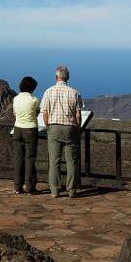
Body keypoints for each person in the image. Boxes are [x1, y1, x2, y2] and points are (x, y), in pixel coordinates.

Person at [40, 64, 83, 198]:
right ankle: (71, 190)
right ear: (67, 77)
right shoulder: (74, 92)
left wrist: (48, 126)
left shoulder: (48, 91)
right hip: (70, 128)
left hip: (53, 127)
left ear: (56, 77)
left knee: (54, 160)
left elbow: (45, 112)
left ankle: (55, 190)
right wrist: (78, 127)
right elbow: (78, 114)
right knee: (72, 161)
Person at [10, 76, 40, 194]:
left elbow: (15, 113)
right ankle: (30, 188)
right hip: (30, 130)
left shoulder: (16, 99)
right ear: (32, 88)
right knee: (30, 159)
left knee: (18, 159)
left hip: (17, 129)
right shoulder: (34, 100)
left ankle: (18, 187)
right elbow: (37, 112)